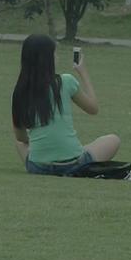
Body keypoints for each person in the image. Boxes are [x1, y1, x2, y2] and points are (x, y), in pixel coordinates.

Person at [11, 35, 120, 176]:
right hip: (75, 165)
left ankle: (48, 158)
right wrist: (83, 73)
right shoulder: (66, 81)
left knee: (20, 143)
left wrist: (41, 142)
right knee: (113, 140)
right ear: (48, 59)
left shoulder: (20, 92)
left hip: (38, 167)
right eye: (54, 54)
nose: (57, 57)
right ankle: (68, 154)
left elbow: (20, 137)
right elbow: (93, 108)